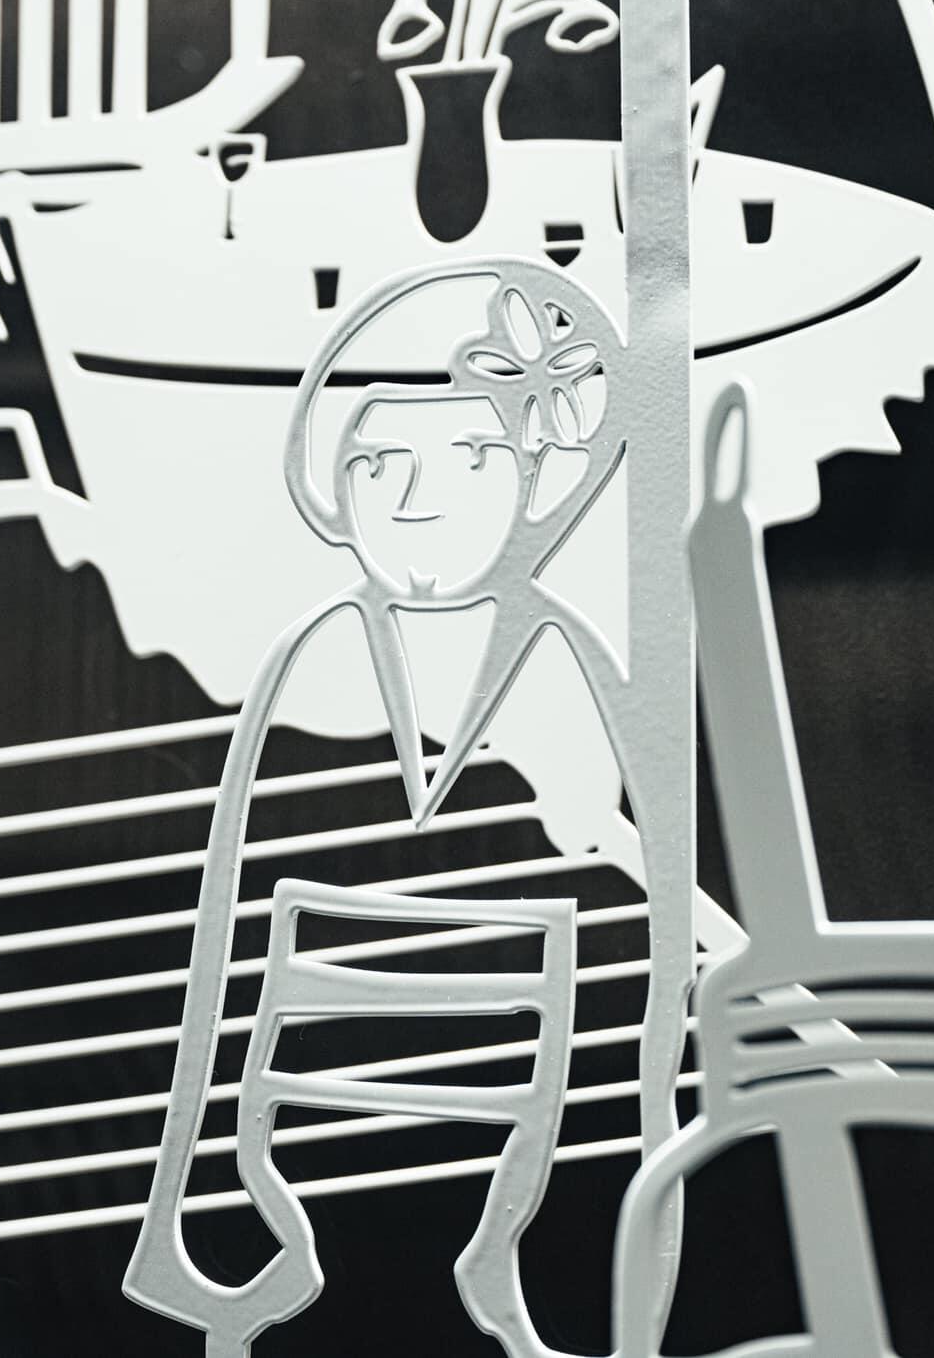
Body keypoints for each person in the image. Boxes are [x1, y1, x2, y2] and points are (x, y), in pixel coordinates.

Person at [124, 257, 691, 1357]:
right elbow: (228, 917)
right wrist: (181, 1205)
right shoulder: (312, 655)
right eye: (378, 464)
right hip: (311, 1088)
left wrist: (642, 1169)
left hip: (525, 1089)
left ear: (530, 483)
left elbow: (637, 924)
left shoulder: (569, 655)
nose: (419, 500)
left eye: (471, 460)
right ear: (336, 492)